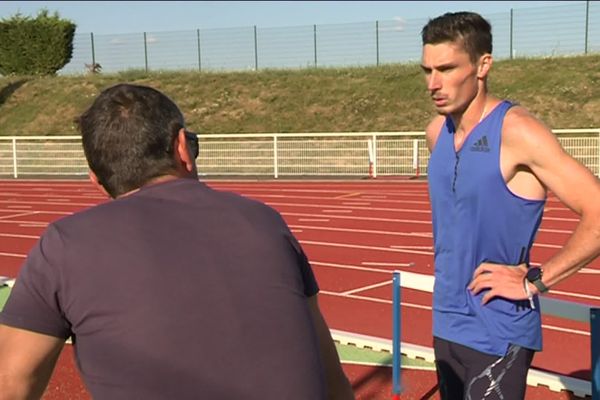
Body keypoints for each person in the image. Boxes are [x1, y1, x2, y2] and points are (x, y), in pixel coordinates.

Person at [0, 83, 354, 400]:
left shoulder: (65, 245)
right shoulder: (265, 221)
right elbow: (330, 376)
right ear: (182, 147)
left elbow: (11, 383)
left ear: (96, 179)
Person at [421, 11, 600, 400]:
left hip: (497, 329)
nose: (433, 83)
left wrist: (535, 280)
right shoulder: (436, 133)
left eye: (447, 68)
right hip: (446, 323)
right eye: (427, 70)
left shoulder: (518, 132)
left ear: (483, 64)